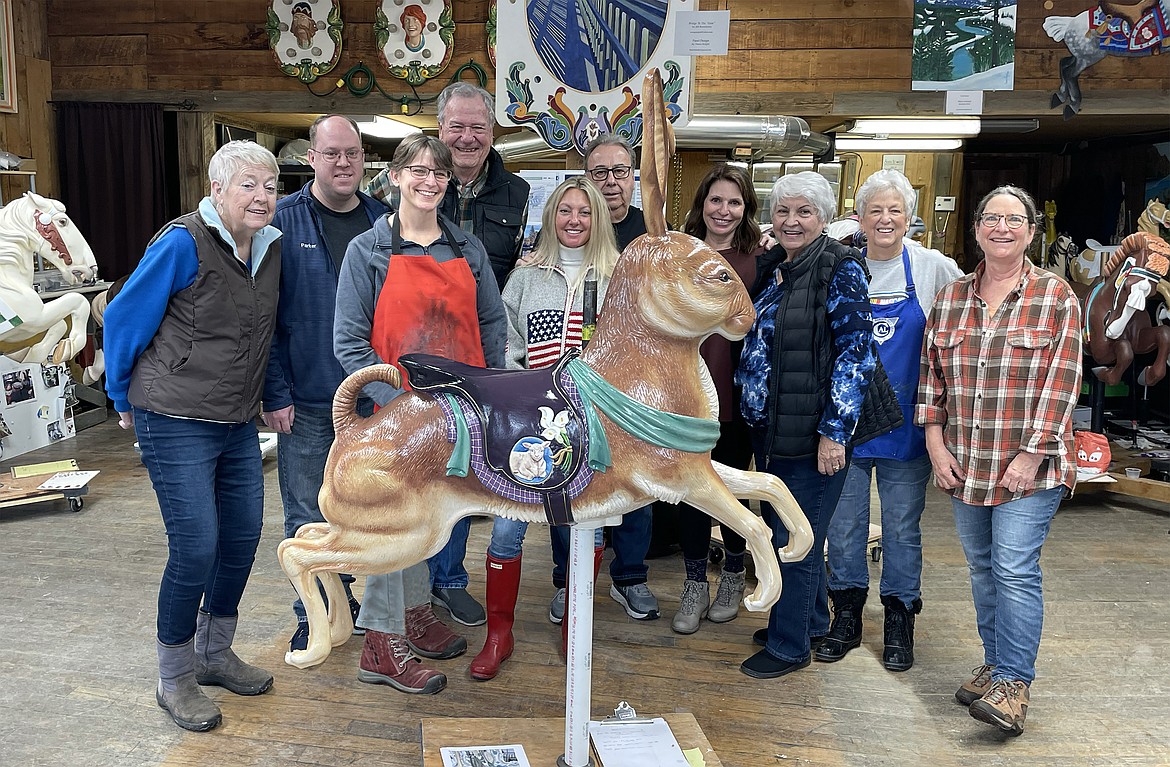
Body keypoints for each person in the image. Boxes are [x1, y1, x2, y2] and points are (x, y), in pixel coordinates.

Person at [103, 140, 283, 732]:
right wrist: (122, 394)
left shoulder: (269, 248)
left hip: (234, 419)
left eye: (270, 186)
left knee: (241, 540)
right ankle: (174, 675)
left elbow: (269, 333)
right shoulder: (183, 242)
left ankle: (213, 653)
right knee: (196, 546)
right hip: (173, 415)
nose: (261, 197)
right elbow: (126, 316)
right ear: (216, 191)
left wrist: (272, 396)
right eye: (248, 185)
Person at [333, 133, 507, 694]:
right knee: (396, 522)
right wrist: (401, 405)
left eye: (439, 173)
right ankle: (382, 646)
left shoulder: (468, 249)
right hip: (399, 419)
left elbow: (491, 327)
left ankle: (411, 612)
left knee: (431, 521)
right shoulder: (369, 252)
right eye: (418, 171)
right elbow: (349, 344)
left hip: (461, 412)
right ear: (396, 176)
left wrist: (484, 391)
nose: (429, 181)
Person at [918, 186, 1082, 735]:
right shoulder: (951, 299)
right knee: (983, 568)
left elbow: (1063, 384)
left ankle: (1014, 682)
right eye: (992, 218)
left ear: (1033, 231)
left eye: (1015, 219)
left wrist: (1032, 455)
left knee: (1013, 568)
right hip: (967, 464)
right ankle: (995, 664)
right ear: (977, 228)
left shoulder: (1055, 297)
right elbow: (931, 379)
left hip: (1030, 468)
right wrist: (936, 447)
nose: (1002, 227)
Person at [368, 83, 529, 626]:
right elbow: (351, 332)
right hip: (399, 395)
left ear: (491, 132)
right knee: (403, 503)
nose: (466, 137)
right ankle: (402, 613)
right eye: (456, 127)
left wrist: (488, 383)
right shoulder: (372, 243)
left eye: (477, 127)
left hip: (466, 381)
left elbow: (491, 316)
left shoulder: (510, 202)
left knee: (459, 486)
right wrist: (390, 398)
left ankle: (448, 582)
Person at [736, 171, 897, 679]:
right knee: (792, 526)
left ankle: (789, 647)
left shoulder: (840, 267)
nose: (791, 221)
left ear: (824, 218)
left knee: (796, 536)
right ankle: (805, 620)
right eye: (783, 211)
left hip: (812, 432)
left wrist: (835, 432)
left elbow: (857, 354)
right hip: (775, 427)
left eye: (804, 211)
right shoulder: (777, 269)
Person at [468, 176, 618, 680]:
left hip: (593, 426)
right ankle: (498, 633)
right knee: (507, 527)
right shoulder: (526, 277)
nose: (574, 220)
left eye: (585, 212)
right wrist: (519, 391)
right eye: (564, 211)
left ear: (598, 219)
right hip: (529, 423)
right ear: (550, 216)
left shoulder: (617, 277)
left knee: (587, 529)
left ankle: (576, 626)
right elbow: (505, 343)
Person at [820, 169, 962, 671]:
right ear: (858, 217)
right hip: (850, 426)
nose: (885, 219)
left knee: (902, 527)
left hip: (909, 425)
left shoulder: (933, 268)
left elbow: (966, 319)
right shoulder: (841, 264)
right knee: (845, 524)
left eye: (894, 210)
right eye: (874, 210)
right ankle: (847, 615)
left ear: (909, 218)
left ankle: (901, 617)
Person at [261, 115, 390, 653]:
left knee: (376, 508)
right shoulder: (281, 223)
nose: (344, 163)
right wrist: (274, 391)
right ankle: (311, 613)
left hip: (376, 400)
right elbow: (261, 316)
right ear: (310, 158)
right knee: (306, 511)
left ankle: (366, 606)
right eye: (332, 153)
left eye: (353, 154)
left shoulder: (387, 221)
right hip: (308, 397)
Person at [669, 164, 763, 635]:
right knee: (689, 489)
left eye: (734, 202)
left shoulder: (758, 259)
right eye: (716, 200)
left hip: (736, 396)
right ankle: (693, 582)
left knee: (729, 488)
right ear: (702, 203)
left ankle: (731, 573)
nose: (724, 210)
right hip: (683, 394)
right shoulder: (679, 252)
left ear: (745, 209)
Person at [583, 133, 645, 251]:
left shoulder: (654, 230)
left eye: (620, 171)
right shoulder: (570, 229)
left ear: (632, 177)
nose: (611, 181)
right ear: (587, 179)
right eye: (600, 172)